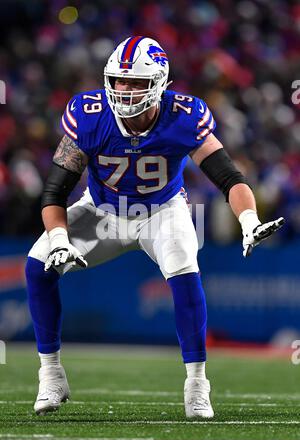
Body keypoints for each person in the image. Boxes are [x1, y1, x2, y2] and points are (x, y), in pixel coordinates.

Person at [25, 36, 284, 418]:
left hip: (161, 211)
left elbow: (228, 177)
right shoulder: (90, 113)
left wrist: (248, 219)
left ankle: (197, 384)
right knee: (37, 265)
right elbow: (53, 192)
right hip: (101, 212)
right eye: (119, 81)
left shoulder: (183, 115)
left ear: (160, 83)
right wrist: (60, 240)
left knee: (184, 269)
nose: (125, 91)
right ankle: (51, 374)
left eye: (136, 83)